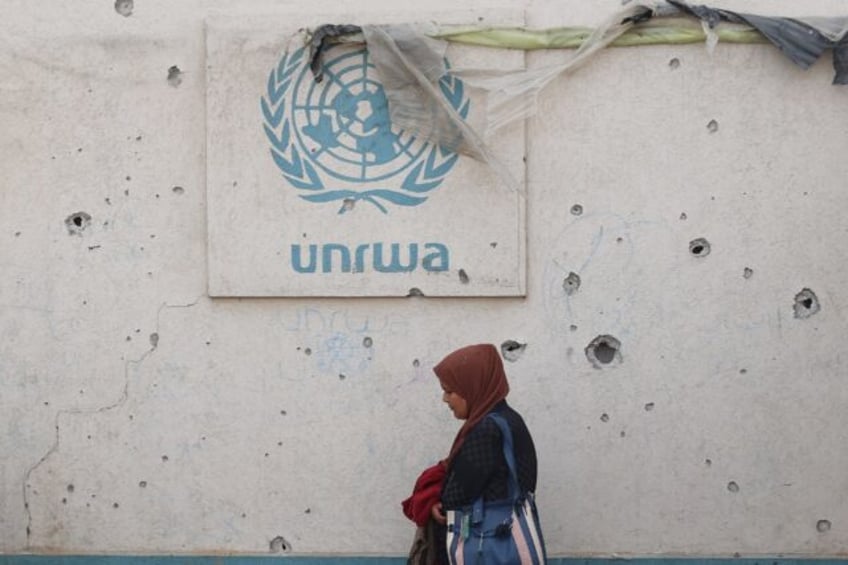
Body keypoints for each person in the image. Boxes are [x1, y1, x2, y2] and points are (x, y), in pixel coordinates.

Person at [403, 343, 541, 564]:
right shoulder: (511, 420)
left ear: (472, 388)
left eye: (450, 391)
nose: (445, 399)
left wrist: (438, 500)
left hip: (486, 545)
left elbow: (457, 496)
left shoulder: (486, 430)